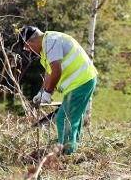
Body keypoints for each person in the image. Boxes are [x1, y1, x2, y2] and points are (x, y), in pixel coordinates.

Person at [19, 26, 97, 154]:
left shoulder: (51, 42)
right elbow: (49, 73)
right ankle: (72, 150)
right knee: (73, 118)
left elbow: (56, 70)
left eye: (27, 47)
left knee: (64, 118)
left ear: (30, 42)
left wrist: (48, 92)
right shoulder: (47, 45)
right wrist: (42, 91)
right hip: (80, 82)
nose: (28, 50)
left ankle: (67, 154)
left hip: (81, 82)